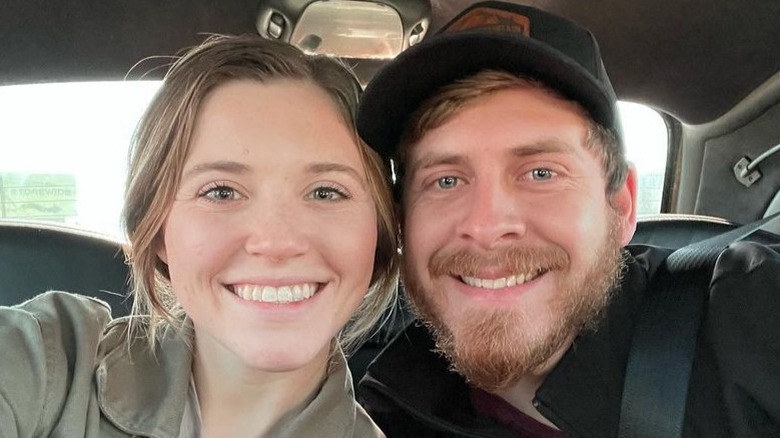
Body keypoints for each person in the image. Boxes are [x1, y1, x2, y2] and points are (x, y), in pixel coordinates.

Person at [355, 2, 780, 437]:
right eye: (445, 181)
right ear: (402, 219)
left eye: (541, 173)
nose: (485, 225)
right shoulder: (373, 418)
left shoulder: (750, 311)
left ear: (621, 205)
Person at [0, 34, 398, 437]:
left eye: (326, 192)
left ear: (381, 233)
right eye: (221, 192)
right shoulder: (50, 363)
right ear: (157, 232)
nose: (278, 242)